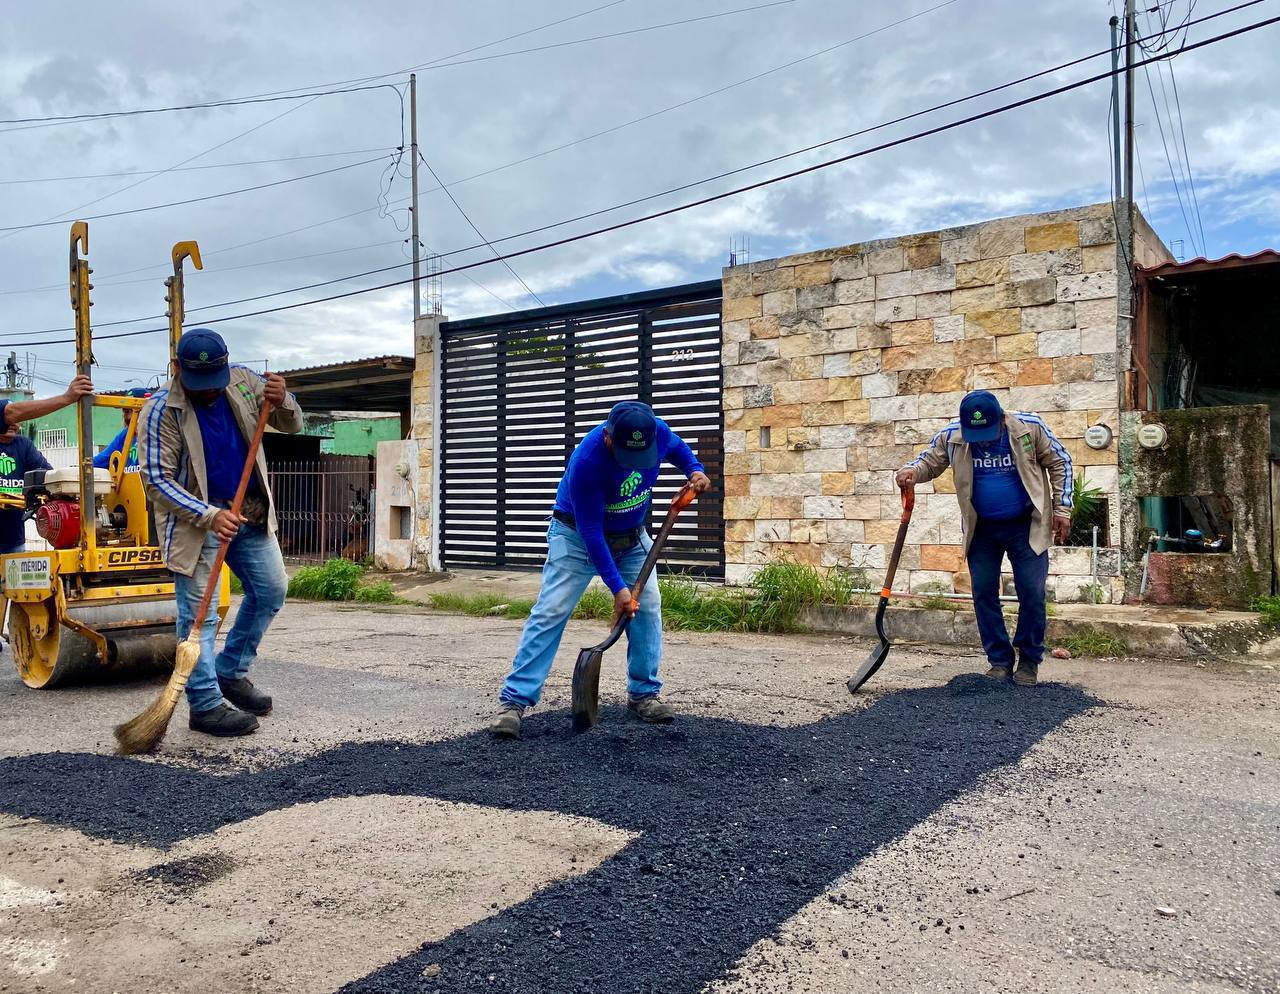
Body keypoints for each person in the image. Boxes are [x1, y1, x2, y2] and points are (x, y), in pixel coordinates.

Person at [492, 401, 711, 739]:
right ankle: (514, 702)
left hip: (632, 536)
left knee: (649, 607)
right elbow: (591, 533)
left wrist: (694, 470)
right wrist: (619, 590)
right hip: (577, 538)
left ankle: (643, 694)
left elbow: (680, 450)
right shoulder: (587, 462)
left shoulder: (657, 432)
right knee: (550, 612)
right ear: (609, 439)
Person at [138, 330, 301, 738]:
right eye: (200, 385)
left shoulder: (245, 382)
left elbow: (292, 424)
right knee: (200, 619)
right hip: (196, 525)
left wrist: (284, 399)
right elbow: (156, 480)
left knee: (271, 591)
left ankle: (231, 671)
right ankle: (206, 704)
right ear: (178, 370)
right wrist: (209, 515)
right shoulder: (160, 411)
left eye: (215, 381)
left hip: (250, 513)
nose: (210, 392)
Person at [895, 390, 1072, 688]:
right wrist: (911, 470)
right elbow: (930, 462)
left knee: (1032, 592)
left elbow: (1060, 462)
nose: (984, 440)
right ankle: (1000, 662)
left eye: (989, 432)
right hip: (982, 528)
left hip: (1026, 524)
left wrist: (1063, 508)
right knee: (984, 594)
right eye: (977, 434)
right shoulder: (953, 436)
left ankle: (1029, 660)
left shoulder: (1030, 428)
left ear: (1002, 419)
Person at [0, 375, 95, 555]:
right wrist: (67, 398)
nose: (14, 424)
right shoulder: (7, 415)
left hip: (14, 542)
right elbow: (9, 412)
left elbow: (48, 477)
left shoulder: (24, 445)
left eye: (19, 420)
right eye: (10, 419)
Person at [93, 387, 151, 474]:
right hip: (128, 485)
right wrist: (78, 468)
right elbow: (101, 460)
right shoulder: (124, 436)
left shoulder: (157, 433)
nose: (125, 414)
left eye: (129, 410)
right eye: (125, 410)